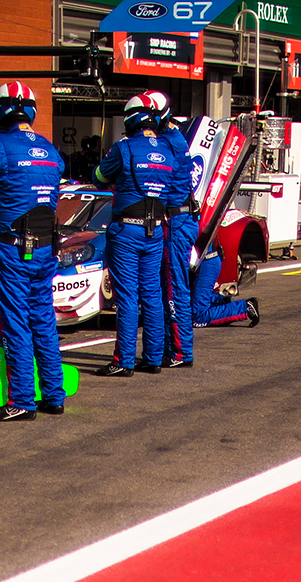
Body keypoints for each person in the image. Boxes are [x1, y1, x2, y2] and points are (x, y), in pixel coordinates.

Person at [0, 80, 68, 421]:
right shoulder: (49, 149)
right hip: (45, 246)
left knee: (15, 324)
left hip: (13, 249)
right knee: (44, 322)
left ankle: (21, 400)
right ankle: (54, 395)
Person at [94, 94, 178, 376]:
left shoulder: (124, 147)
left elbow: (100, 177)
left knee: (128, 297)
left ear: (130, 119)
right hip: (155, 230)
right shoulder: (167, 150)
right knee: (152, 294)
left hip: (126, 230)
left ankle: (123, 361)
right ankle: (153, 358)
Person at [145, 90, 201, 370]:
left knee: (173, 287)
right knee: (172, 285)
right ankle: (175, 348)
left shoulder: (167, 143)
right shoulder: (174, 137)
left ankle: (180, 351)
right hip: (182, 218)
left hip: (176, 222)